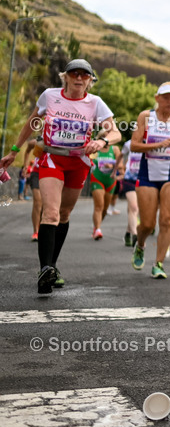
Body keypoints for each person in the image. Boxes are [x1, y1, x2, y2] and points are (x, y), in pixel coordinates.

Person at [0, 59, 121, 293]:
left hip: (78, 163)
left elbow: (115, 132)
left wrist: (102, 141)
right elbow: (32, 123)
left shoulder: (95, 103)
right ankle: (44, 269)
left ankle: (52, 266)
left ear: (90, 80)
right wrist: (14, 151)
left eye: (84, 75)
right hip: (52, 159)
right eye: (74, 73)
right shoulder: (50, 96)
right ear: (65, 77)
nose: (79, 78)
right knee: (51, 212)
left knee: (64, 213)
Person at [131, 82, 170, 279]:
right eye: (166, 97)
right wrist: (157, 145)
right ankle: (140, 245)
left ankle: (158, 264)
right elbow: (134, 145)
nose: (169, 101)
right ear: (157, 98)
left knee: (167, 219)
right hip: (148, 173)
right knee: (148, 224)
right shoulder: (146, 117)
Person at [88, 140, 120, 240]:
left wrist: (112, 166)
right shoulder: (95, 148)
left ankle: (96, 226)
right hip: (97, 179)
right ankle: (98, 230)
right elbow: (88, 160)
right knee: (99, 206)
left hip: (110, 181)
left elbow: (121, 165)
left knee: (105, 209)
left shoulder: (115, 149)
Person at [118, 138, 142, 247]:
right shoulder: (129, 144)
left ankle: (128, 232)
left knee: (136, 210)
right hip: (129, 179)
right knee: (134, 207)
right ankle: (135, 235)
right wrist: (117, 170)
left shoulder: (150, 142)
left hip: (143, 180)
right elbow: (121, 155)